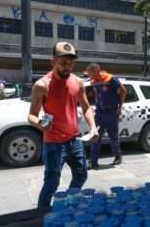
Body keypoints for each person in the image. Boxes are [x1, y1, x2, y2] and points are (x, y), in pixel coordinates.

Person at [28, 42, 98, 208]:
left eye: (71, 63)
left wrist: (93, 127)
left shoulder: (78, 82)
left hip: (74, 140)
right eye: (63, 63)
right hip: (53, 143)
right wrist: (41, 123)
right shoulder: (42, 85)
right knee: (52, 183)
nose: (67, 67)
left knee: (81, 175)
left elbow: (86, 107)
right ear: (53, 62)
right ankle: (41, 215)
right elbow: (31, 115)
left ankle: (68, 203)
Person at [85, 63, 127, 169]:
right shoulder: (93, 81)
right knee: (95, 137)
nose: (88, 75)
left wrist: (120, 106)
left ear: (95, 71)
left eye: (89, 73)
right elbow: (97, 94)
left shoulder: (111, 79)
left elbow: (123, 91)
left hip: (111, 113)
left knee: (113, 138)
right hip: (99, 113)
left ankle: (118, 156)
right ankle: (93, 162)